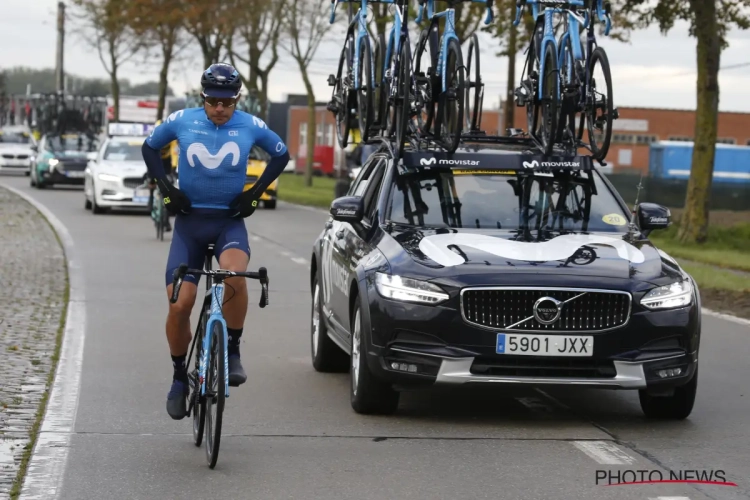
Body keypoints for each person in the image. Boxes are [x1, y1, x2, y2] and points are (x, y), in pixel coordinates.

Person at [141, 62, 290, 420]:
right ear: (202, 98)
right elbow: (150, 149)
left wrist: (254, 194)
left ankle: (233, 350)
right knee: (180, 305)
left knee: (234, 277)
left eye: (227, 102)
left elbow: (281, 154)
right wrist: (167, 191)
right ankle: (179, 376)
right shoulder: (182, 120)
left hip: (229, 224)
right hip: (190, 227)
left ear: (237, 99)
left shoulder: (250, 125)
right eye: (212, 102)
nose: (220, 109)